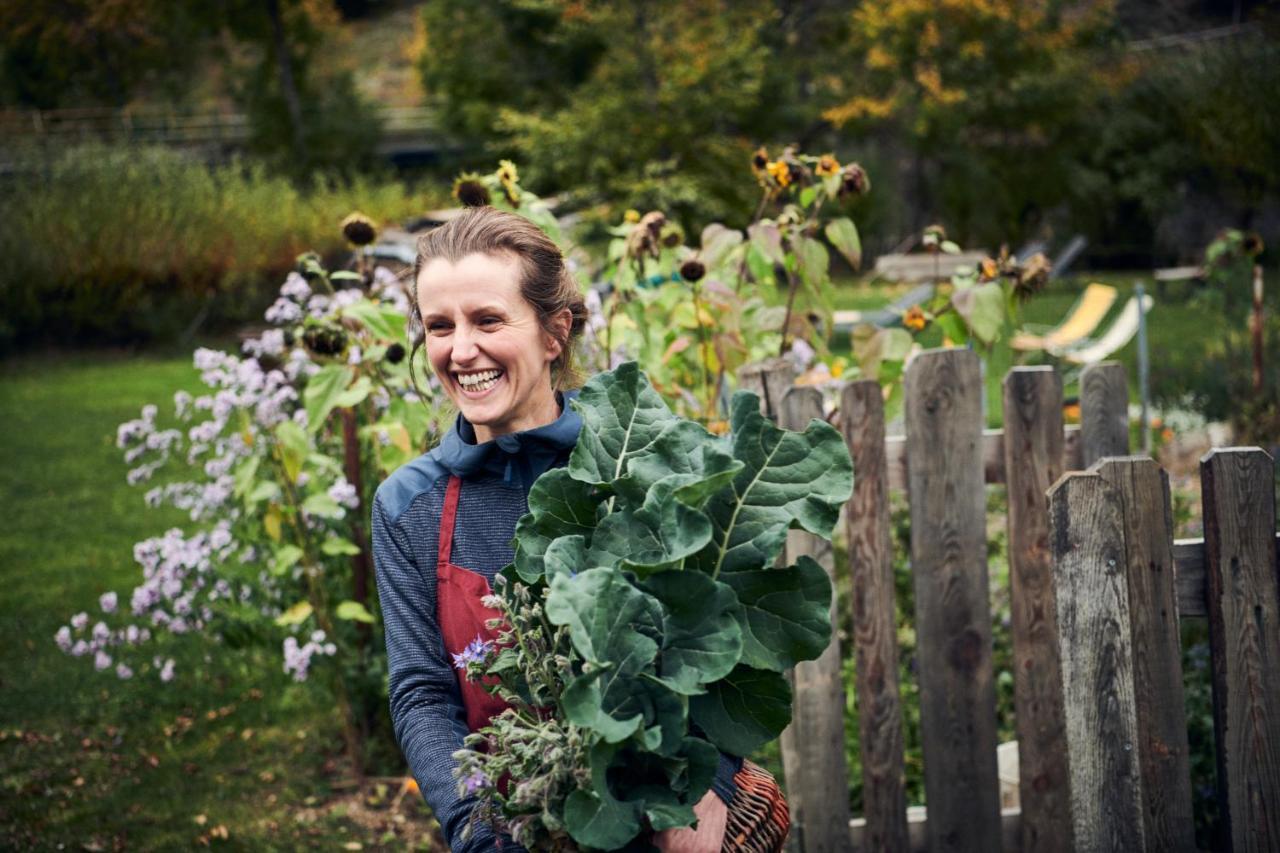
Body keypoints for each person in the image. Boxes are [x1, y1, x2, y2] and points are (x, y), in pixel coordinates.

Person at [371, 206, 787, 853]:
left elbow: (714, 648)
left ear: (554, 332)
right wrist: (482, 831)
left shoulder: (639, 462)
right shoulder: (408, 506)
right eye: (439, 326)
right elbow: (422, 692)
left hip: (664, 824)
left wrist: (706, 790)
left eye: (487, 320)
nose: (461, 349)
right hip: (515, 823)